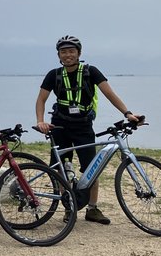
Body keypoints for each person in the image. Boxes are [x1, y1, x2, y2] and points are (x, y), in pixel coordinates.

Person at [35, 35, 142, 225]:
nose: (67, 55)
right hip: (59, 126)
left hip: (83, 126)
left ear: (79, 53)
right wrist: (41, 121)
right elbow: (41, 99)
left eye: (71, 51)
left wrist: (128, 113)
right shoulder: (54, 74)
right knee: (61, 169)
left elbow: (109, 94)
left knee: (92, 169)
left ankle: (92, 209)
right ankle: (69, 207)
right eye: (63, 52)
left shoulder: (91, 72)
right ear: (58, 55)